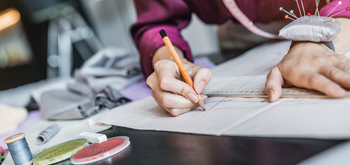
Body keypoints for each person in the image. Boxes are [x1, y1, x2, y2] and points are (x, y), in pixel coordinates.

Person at [131, 0, 350, 116]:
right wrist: (168, 58)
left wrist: (315, 42)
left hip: (336, 21)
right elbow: (157, 22)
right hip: (242, 36)